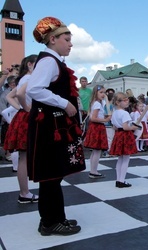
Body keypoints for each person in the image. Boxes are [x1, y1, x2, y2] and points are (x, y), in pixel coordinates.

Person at [27, 16, 85, 236]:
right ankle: (50, 222)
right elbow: (35, 89)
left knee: (54, 173)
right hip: (49, 128)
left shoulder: (54, 62)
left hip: (53, 127)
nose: (70, 43)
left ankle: (55, 218)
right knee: (50, 174)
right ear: (53, 39)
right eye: (67, 38)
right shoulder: (49, 61)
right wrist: (64, 103)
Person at [3, 55, 39, 203]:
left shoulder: (24, 79)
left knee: (24, 157)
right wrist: (26, 108)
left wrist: (20, 108)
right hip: (29, 118)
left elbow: (10, 97)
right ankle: (24, 193)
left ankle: (24, 192)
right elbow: (17, 94)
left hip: (23, 117)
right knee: (24, 157)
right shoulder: (30, 79)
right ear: (30, 65)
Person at [110, 92, 139, 187]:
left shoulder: (114, 113)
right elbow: (126, 127)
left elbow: (114, 127)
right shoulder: (125, 113)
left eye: (127, 100)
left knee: (120, 158)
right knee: (126, 159)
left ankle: (118, 179)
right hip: (125, 135)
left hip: (118, 135)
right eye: (125, 100)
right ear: (118, 103)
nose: (127, 102)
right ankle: (121, 180)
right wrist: (133, 128)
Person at [83, 85, 111, 178]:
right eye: (101, 92)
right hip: (97, 127)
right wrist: (105, 120)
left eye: (104, 92)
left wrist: (104, 116)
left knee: (95, 151)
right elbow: (93, 118)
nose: (103, 94)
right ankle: (93, 171)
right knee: (97, 150)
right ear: (96, 93)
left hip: (95, 127)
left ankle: (93, 170)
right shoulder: (97, 104)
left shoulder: (97, 103)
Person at [103, 88, 115, 157]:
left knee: (111, 137)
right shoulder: (109, 106)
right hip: (108, 124)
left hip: (110, 124)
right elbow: (107, 114)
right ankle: (108, 151)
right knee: (109, 138)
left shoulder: (111, 106)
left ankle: (110, 150)